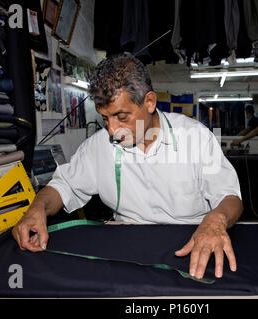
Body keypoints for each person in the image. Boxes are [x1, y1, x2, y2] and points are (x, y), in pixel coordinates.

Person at [12, 54, 243, 280]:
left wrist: (217, 219)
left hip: (194, 245)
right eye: (105, 119)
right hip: (128, 253)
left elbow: (230, 198)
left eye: (121, 117)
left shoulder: (196, 137)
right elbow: (64, 186)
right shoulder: (99, 146)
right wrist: (38, 207)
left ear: (149, 102)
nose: (112, 130)